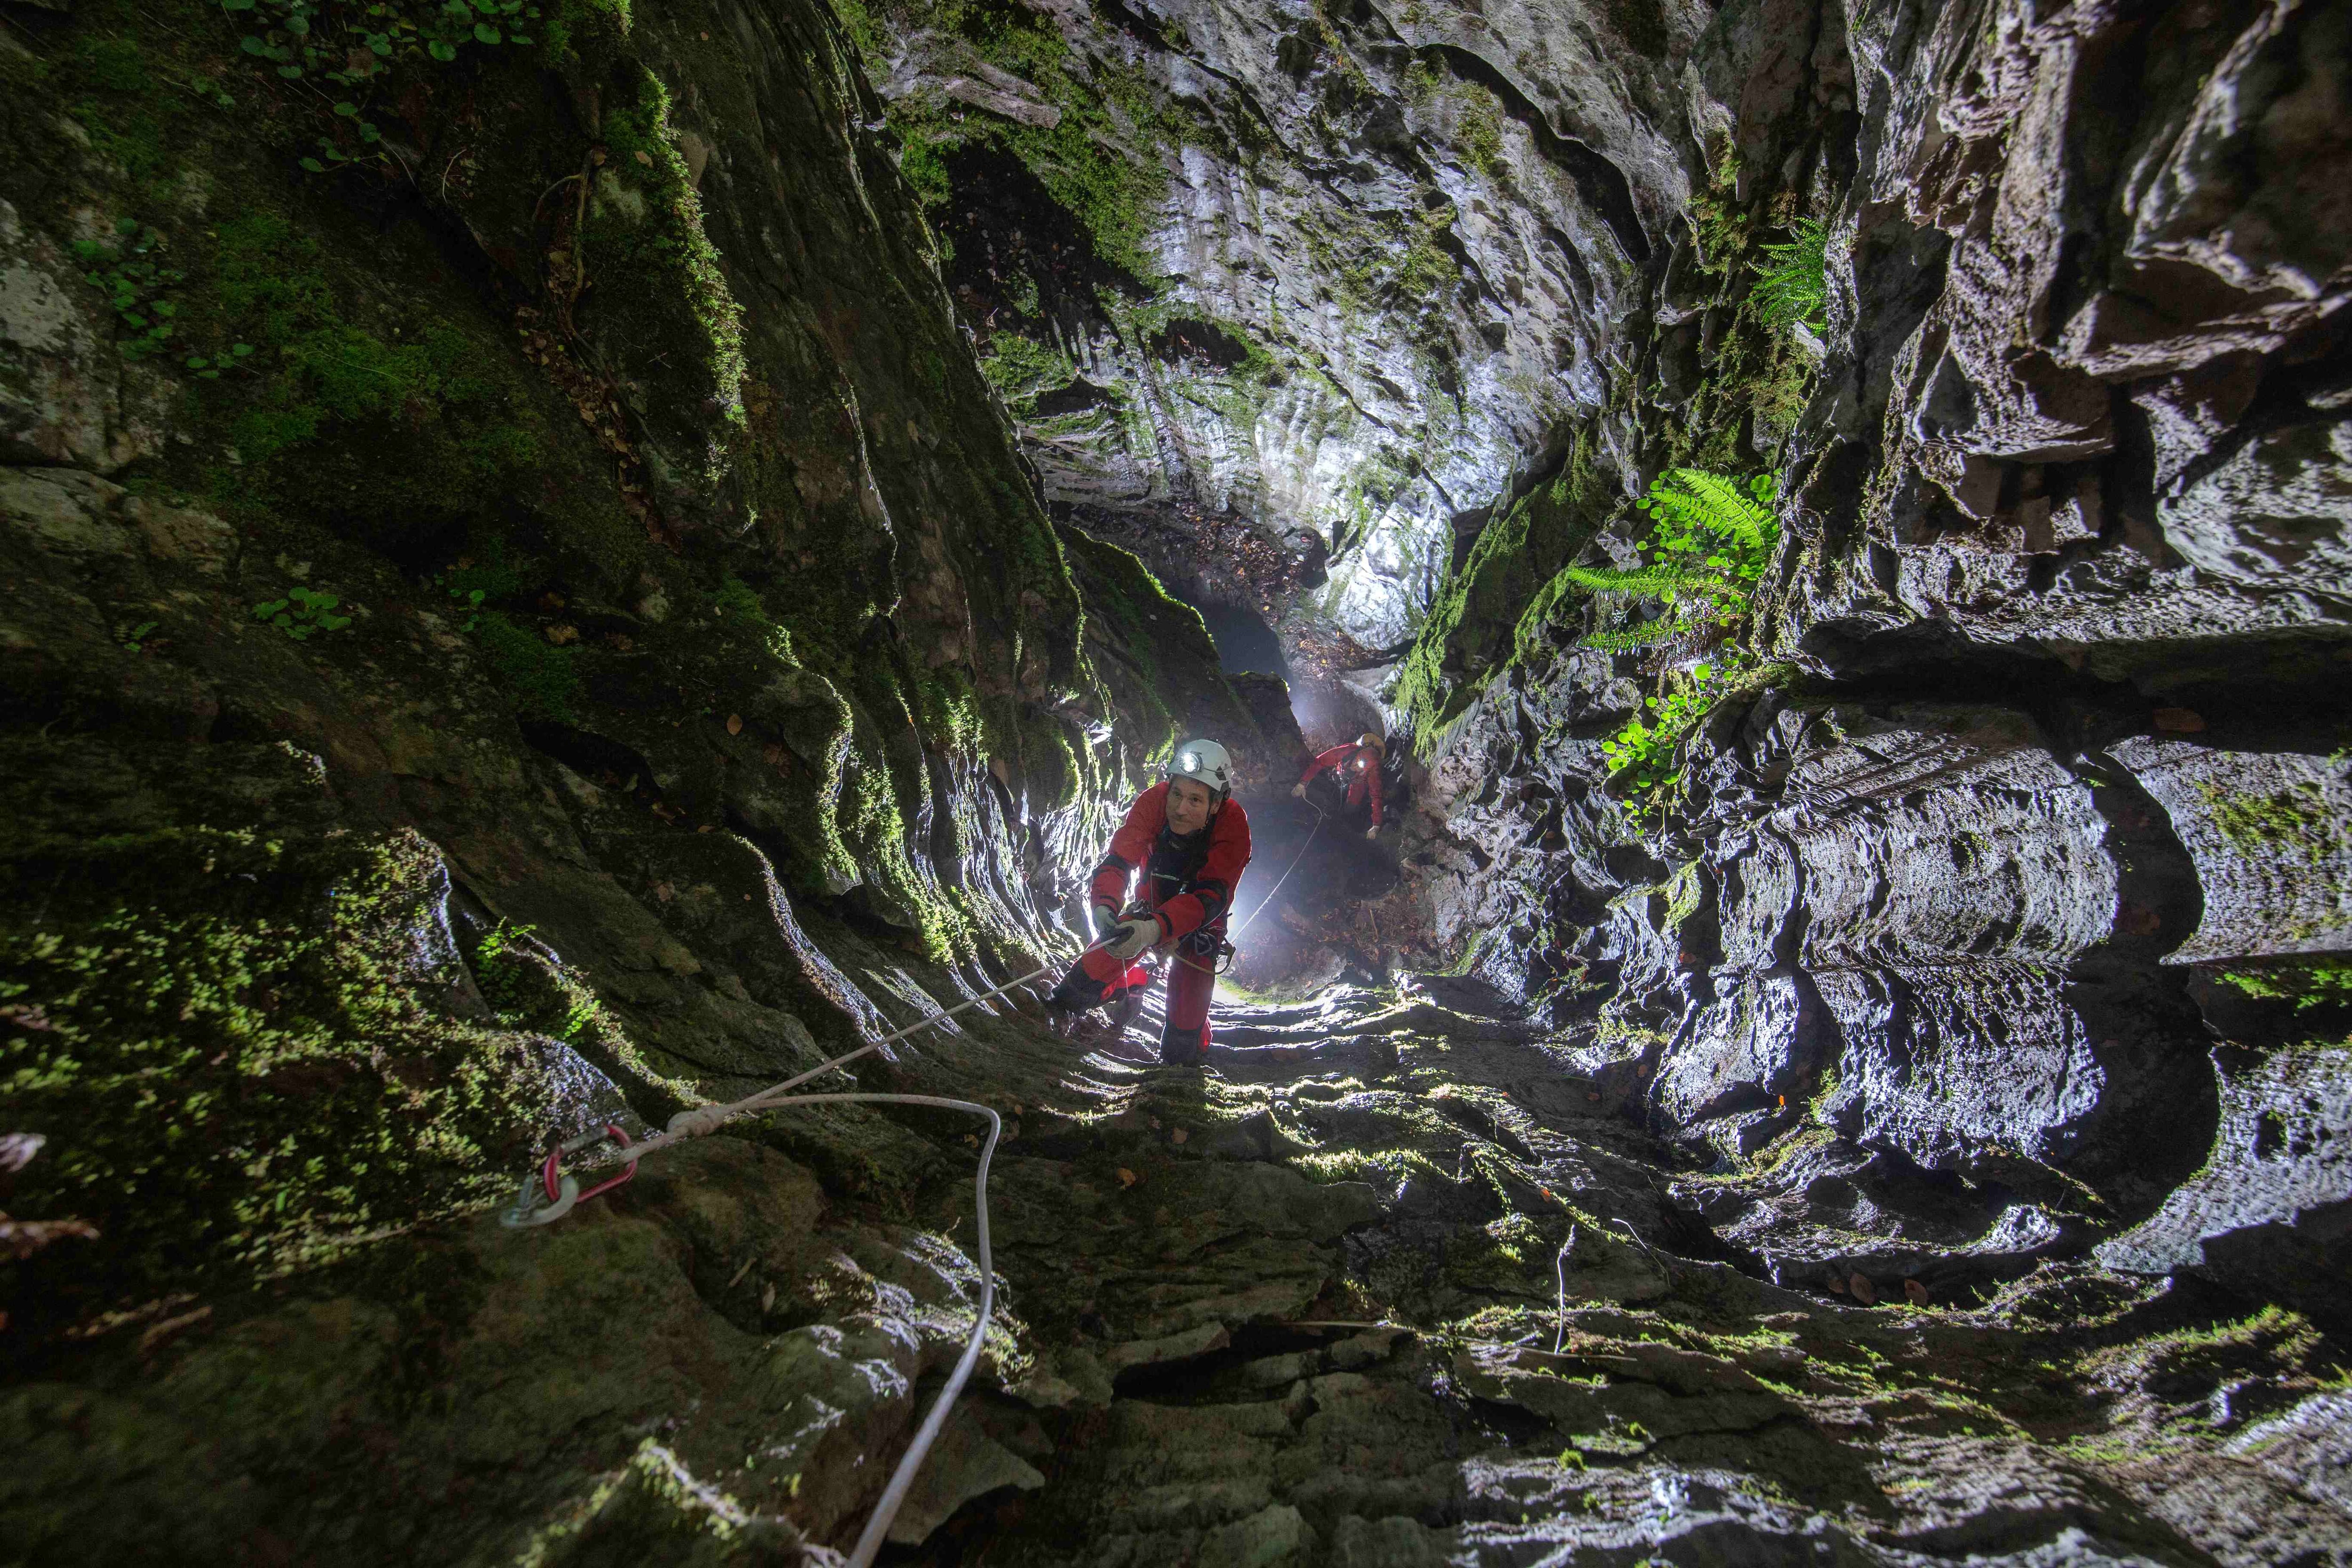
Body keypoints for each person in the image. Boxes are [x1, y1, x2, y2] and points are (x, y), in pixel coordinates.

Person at [1044, 739, 1251, 1066]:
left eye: (1195, 800)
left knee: (1183, 1034)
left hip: (1198, 925)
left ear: (1216, 803)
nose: (1181, 808)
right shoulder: (1154, 802)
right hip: (1149, 907)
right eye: (1178, 794)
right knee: (1086, 976)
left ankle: (1184, 1057)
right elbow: (1119, 861)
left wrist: (1159, 930)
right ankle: (1119, 988)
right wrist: (1105, 906)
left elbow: (1211, 896)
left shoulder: (1233, 825)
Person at [1294, 732, 1387, 839]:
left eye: (1362, 768)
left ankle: (1345, 823)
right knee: (1333, 791)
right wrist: (1303, 783)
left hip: (1358, 783)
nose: (1357, 767)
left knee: (1351, 808)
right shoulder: (1347, 751)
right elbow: (1320, 761)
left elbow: (1376, 796)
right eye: (1358, 763)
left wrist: (1376, 825)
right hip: (1340, 775)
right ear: (1358, 754)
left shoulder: (1373, 770)